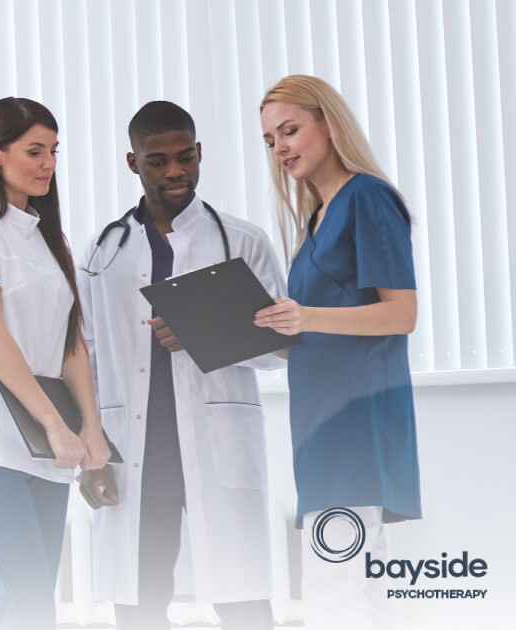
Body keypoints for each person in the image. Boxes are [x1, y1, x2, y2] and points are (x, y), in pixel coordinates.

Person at [76, 101, 284, 630]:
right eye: (157, 160)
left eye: (185, 156)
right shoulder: (103, 252)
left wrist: (204, 329)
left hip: (219, 443)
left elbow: (283, 345)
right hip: (137, 449)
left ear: (199, 153)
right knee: (139, 605)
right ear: (132, 162)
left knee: (243, 601)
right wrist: (90, 452)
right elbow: (88, 357)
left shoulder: (242, 240)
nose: (175, 171)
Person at [0, 96, 110, 629]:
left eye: (54, 151)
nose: (48, 164)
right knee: (25, 602)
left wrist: (93, 431)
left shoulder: (47, 236)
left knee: (38, 606)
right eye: (34, 151)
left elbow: (70, 343)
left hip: (44, 447)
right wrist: (57, 426)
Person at [257, 74, 420, 629]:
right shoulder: (315, 219)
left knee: (336, 584)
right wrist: (244, 337)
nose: (280, 147)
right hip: (319, 420)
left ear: (327, 122)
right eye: (269, 140)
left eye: (290, 130)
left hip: (354, 419)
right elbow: (319, 337)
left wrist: (305, 316)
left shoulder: (367, 197)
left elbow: (402, 314)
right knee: (350, 586)